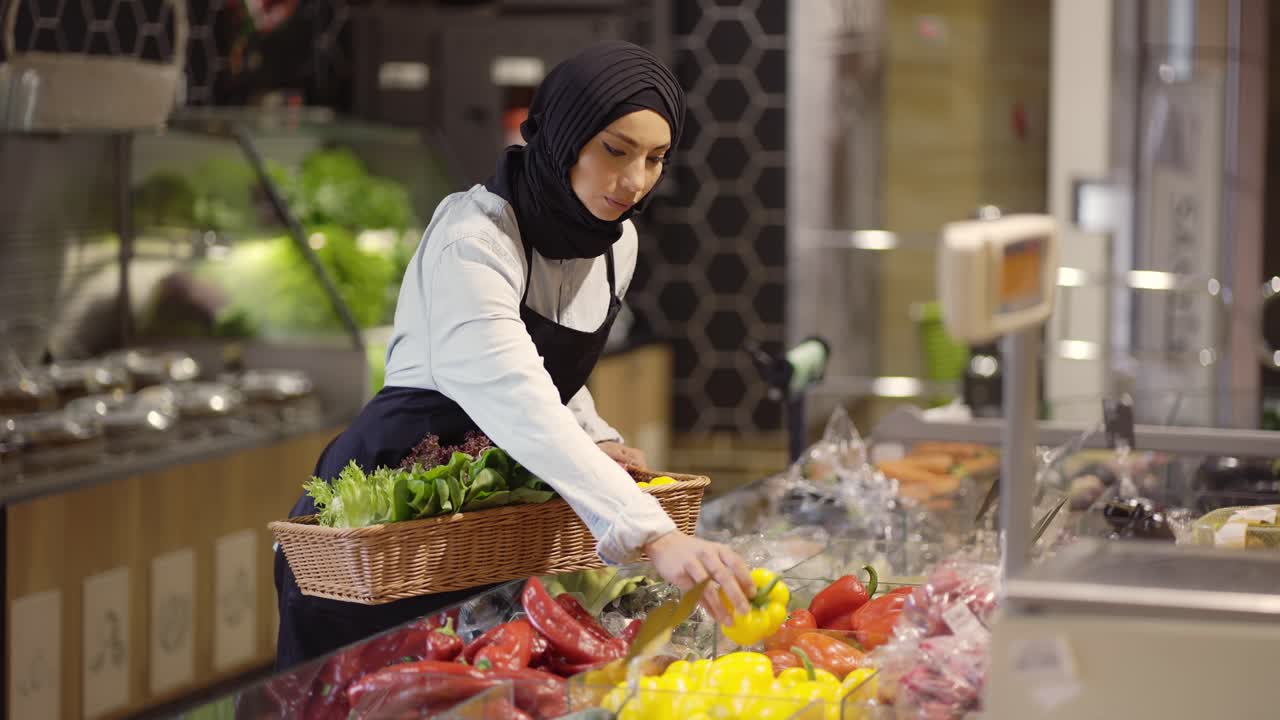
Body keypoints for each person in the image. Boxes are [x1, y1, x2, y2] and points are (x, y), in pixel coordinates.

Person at [274, 41, 756, 669]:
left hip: (484, 526)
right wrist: (653, 533)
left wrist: (597, 437)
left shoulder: (617, 244)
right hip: (384, 526)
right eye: (615, 149)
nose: (635, 181)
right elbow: (513, 389)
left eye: (656, 158)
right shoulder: (473, 239)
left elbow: (550, 370)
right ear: (561, 135)